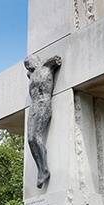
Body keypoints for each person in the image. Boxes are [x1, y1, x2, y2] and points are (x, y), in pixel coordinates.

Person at [24, 53, 62, 188]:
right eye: (26, 65)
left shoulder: (47, 66)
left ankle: (44, 170)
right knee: (30, 139)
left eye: (28, 62)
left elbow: (56, 59)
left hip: (43, 103)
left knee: (35, 136)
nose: (27, 66)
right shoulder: (31, 75)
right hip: (33, 106)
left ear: (36, 60)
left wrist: (52, 60)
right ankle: (41, 168)